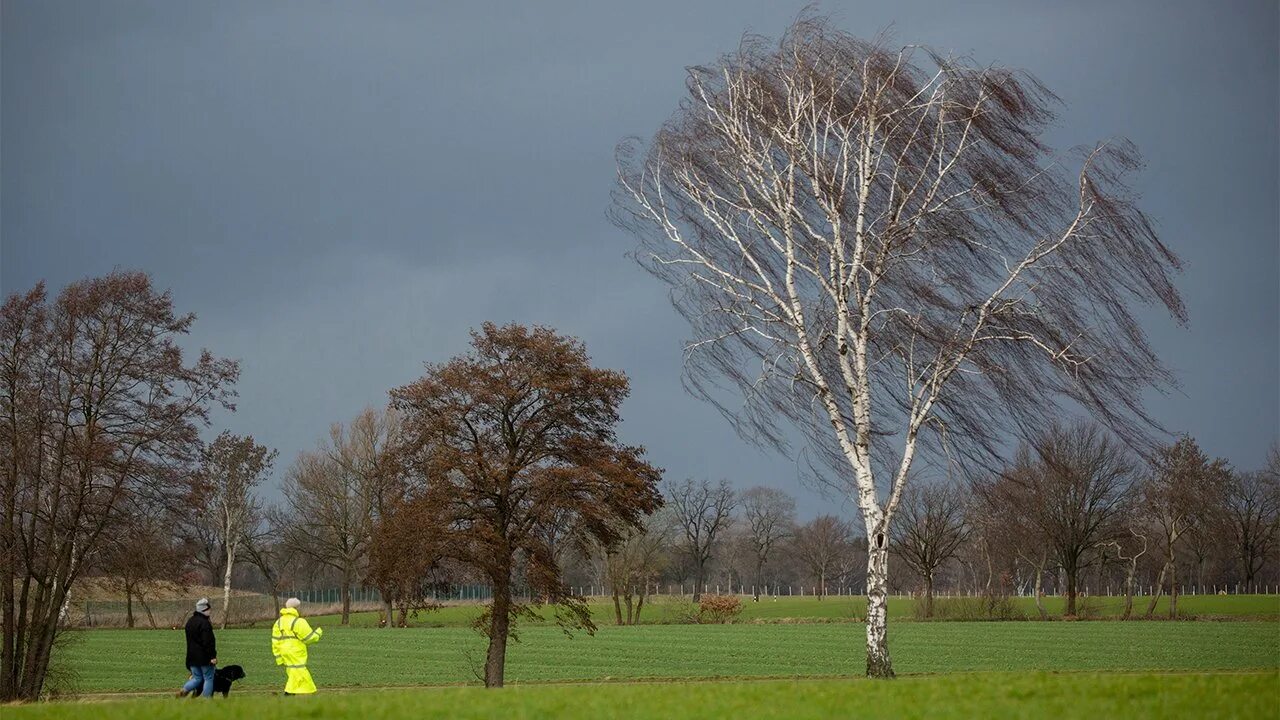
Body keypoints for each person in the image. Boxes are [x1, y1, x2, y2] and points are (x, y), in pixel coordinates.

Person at [271, 597, 323, 695]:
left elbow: (275, 641)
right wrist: (318, 633)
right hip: (296, 652)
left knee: (293, 672)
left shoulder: (278, 622)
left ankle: (294, 694)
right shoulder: (299, 622)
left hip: (284, 652)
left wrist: (278, 657)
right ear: (296, 608)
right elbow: (308, 638)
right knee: (300, 671)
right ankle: (290, 693)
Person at [176, 598, 217, 698]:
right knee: (208, 678)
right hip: (204, 657)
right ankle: (206, 701)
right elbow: (208, 642)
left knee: (197, 678)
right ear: (204, 610)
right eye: (209, 610)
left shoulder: (190, 622)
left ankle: (184, 690)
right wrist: (212, 656)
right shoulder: (205, 623)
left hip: (191, 657)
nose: (210, 612)